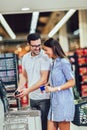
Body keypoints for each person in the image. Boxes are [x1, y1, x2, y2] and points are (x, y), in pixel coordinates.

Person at [16, 33, 51, 130]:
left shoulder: (45, 56)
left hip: (44, 98)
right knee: (35, 126)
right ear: (28, 44)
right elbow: (24, 75)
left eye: (39, 45)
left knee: (45, 127)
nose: (37, 48)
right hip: (32, 98)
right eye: (34, 46)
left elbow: (44, 80)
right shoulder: (25, 58)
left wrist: (27, 91)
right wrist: (20, 88)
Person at [43, 38, 75, 130]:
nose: (45, 52)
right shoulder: (53, 63)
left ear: (53, 48)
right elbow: (54, 81)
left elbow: (72, 82)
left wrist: (54, 89)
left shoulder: (64, 62)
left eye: (46, 50)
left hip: (63, 103)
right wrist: (47, 87)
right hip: (54, 104)